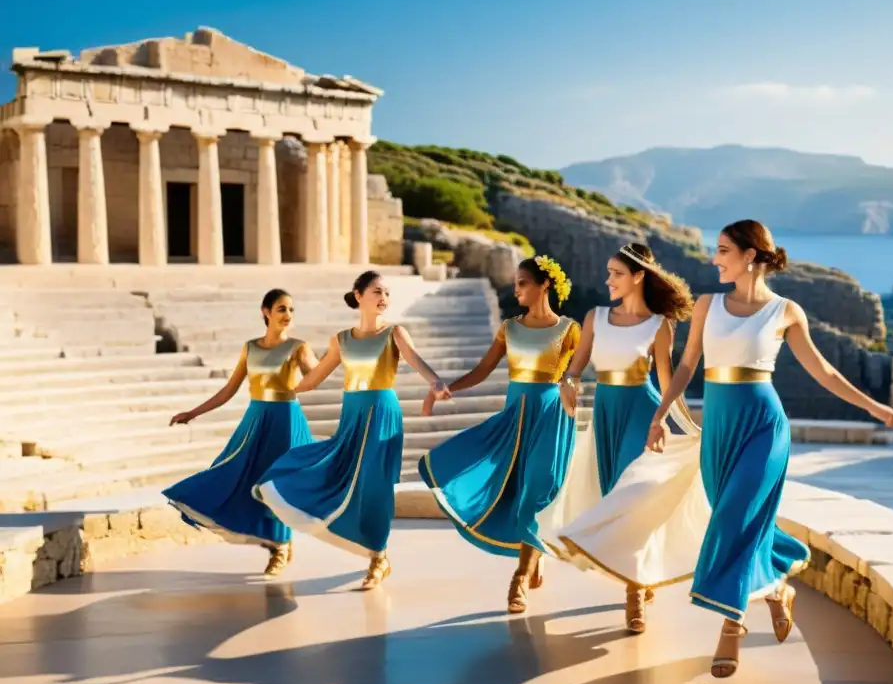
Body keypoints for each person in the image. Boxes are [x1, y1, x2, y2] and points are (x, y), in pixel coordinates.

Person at [646, 219, 893, 678]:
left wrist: (873, 407)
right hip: (720, 428)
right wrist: (661, 412)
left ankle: (731, 627)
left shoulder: (786, 311)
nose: (713, 259)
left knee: (733, 519)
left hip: (764, 426)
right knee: (738, 521)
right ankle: (777, 589)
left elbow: (823, 371)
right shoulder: (707, 305)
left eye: (723, 250)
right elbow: (686, 366)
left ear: (750, 255)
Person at [254, 271, 449, 590]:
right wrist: (285, 390)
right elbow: (314, 378)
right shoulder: (341, 340)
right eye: (376, 291)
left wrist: (436, 382)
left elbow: (416, 361)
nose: (384, 298)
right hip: (353, 414)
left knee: (376, 485)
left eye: (387, 292)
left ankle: (379, 558)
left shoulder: (395, 333)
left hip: (383, 414)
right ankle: (369, 548)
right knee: (335, 474)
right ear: (358, 296)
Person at [539, 242, 697, 633]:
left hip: (641, 412)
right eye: (608, 273)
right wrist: (568, 383)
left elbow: (665, 379)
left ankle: (634, 596)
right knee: (613, 492)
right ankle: (638, 577)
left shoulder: (660, 325)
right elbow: (575, 368)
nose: (608, 280)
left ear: (638, 276)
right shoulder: (596, 317)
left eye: (616, 274)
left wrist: (681, 423)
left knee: (632, 497)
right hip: (605, 414)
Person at [419, 255, 580, 614]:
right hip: (514, 418)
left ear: (545, 286)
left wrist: (572, 384)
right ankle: (532, 557)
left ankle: (519, 577)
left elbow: (577, 372)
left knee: (536, 495)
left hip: (552, 419)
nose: (516, 289)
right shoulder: (509, 328)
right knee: (515, 494)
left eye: (522, 282)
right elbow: (483, 370)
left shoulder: (569, 329)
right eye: (515, 283)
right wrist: (449, 389)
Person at [163, 289, 316, 576]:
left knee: (278, 484)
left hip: (286, 418)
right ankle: (277, 542)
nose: (288, 315)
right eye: (281, 309)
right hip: (257, 419)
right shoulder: (250, 348)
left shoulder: (298, 347)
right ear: (265, 312)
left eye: (291, 310)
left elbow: (316, 376)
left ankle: (281, 547)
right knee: (239, 476)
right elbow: (229, 390)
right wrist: (193, 413)